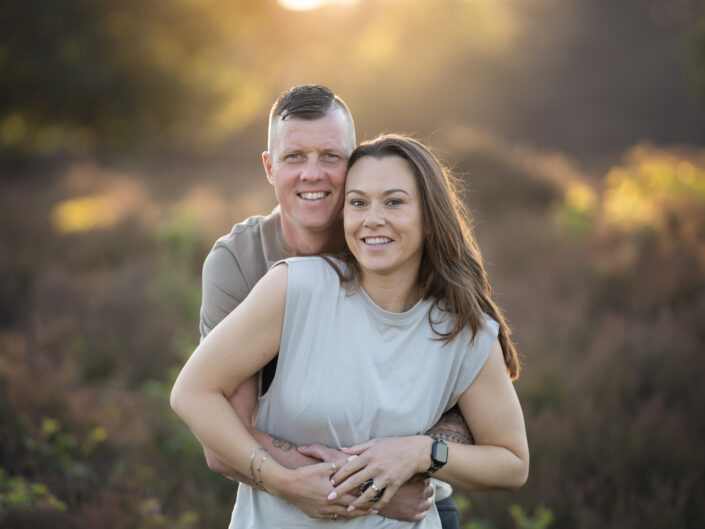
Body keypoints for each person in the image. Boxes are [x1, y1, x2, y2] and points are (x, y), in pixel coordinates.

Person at [172, 134, 529, 528]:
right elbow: (192, 392)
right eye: (358, 203)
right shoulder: (296, 288)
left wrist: (422, 453)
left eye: (393, 202)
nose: (372, 218)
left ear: (430, 217)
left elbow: (512, 463)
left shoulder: (461, 328)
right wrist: (284, 482)